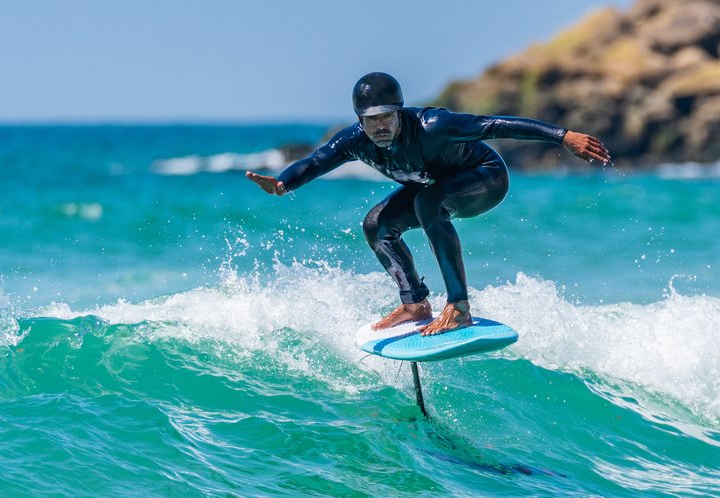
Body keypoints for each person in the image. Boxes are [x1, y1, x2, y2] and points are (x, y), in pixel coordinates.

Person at [247, 72, 610, 335]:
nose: (381, 126)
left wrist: (562, 136)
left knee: (429, 201)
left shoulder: (434, 125)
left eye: (388, 116)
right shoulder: (355, 141)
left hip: (485, 178)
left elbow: (495, 125)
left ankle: (459, 307)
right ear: (360, 120)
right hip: (434, 187)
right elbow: (317, 160)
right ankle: (415, 303)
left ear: (399, 111)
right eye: (372, 120)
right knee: (377, 225)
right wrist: (283, 184)